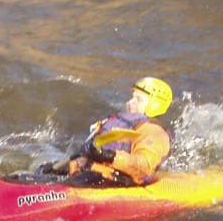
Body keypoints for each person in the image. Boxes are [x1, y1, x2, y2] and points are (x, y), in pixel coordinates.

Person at [42, 77, 174, 186]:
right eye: (132, 97)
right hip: (92, 173)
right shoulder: (125, 121)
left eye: (138, 100)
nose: (130, 102)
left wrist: (111, 156)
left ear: (155, 105)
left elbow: (144, 166)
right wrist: (66, 167)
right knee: (43, 171)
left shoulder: (154, 131)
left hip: (117, 181)